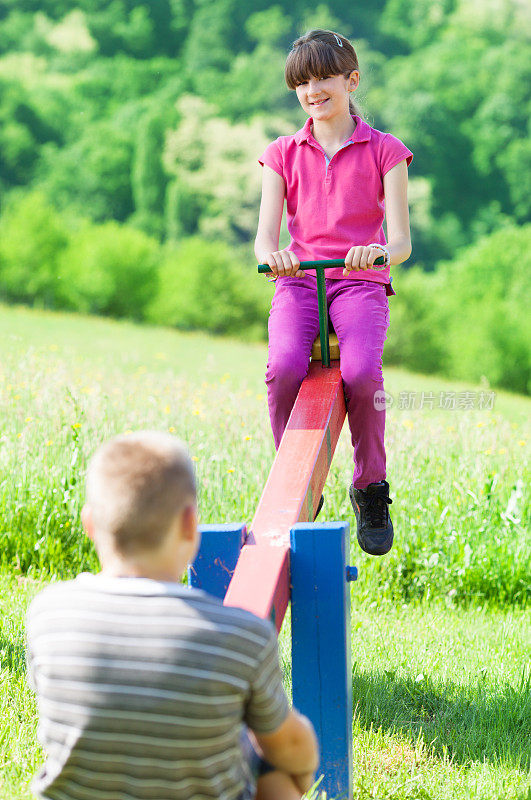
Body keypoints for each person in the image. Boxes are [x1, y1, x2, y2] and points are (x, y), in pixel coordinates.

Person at [26, 431, 319, 800]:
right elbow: (292, 744)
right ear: (188, 523)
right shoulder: (243, 636)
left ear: (89, 524)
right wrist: (302, 773)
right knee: (275, 774)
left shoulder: (48, 615)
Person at [255, 29, 413, 556]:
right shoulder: (281, 153)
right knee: (283, 367)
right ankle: (297, 477)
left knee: (363, 372)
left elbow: (402, 243)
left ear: (351, 81)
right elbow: (264, 236)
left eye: (323, 78)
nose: (312, 90)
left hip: (359, 280)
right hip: (300, 279)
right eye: (301, 82)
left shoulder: (385, 152)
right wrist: (274, 255)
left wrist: (378, 253)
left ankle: (371, 487)